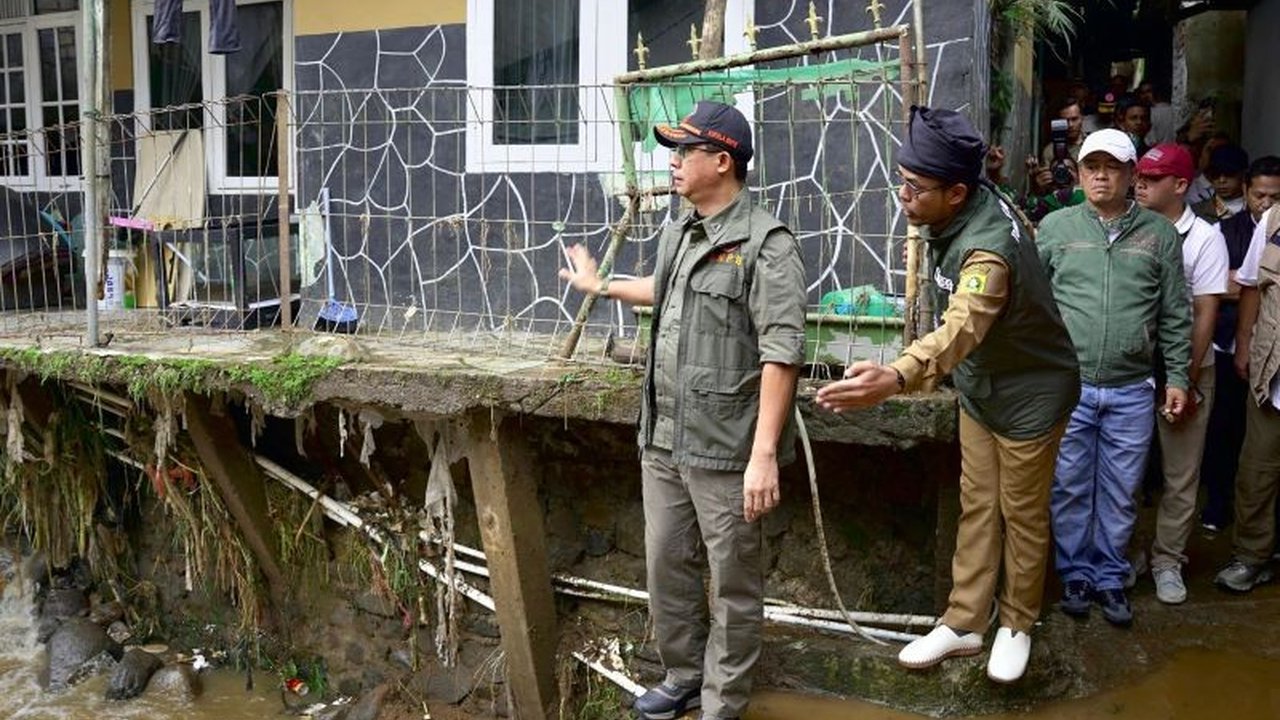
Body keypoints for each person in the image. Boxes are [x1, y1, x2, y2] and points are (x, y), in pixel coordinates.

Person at [559, 100, 806, 720]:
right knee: (667, 565)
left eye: (683, 151)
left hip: (726, 447)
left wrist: (763, 456)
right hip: (665, 435)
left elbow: (782, 354)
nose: (671, 162)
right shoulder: (681, 229)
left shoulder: (766, 244)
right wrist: (601, 285)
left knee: (733, 583)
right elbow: (663, 288)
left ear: (721, 162)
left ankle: (723, 703)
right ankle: (684, 676)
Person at [817, 107, 1080, 683]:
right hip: (981, 387)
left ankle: (1017, 623)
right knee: (978, 503)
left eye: (915, 188)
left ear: (957, 192)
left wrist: (897, 375)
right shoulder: (967, 205)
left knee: (1021, 512)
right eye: (901, 181)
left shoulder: (987, 251)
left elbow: (963, 324)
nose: (902, 196)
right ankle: (964, 621)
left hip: (1032, 394)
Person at [1037, 128, 1192, 627]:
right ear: (1080, 172)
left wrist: (1177, 377)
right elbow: (1034, 305)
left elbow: (1175, 314)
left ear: (1131, 175)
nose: (1101, 176)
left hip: (1132, 386)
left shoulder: (1158, 234)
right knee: (1069, 485)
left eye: (1112, 167)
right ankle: (1076, 575)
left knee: (1122, 489)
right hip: (1071, 385)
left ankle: (1110, 575)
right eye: (1092, 167)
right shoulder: (1056, 228)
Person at [1133, 143, 1229, 604]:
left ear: (1181, 185)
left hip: (1188, 368)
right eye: (1140, 176)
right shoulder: (1129, 228)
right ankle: (1126, 554)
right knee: (1126, 470)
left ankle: (1168, 560)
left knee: (1180, 473)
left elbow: (1205, 312)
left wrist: (1184, 378)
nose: (1141, 185)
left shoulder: (1205, 238)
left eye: (1153, 179)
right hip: (1133, 370)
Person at [1202, 156, 1280, 533]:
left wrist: (1243, 283)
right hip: (1229, 347)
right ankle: (1218, 504)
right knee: (1225, 430)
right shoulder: (1222, 230)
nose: (1265, 203)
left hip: (1271, 353)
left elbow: (1242, 284)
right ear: (1246, 191)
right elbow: (1213, 285)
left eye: (1274, 197)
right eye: (1259, 195)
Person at [1219, 202, 1280, 593]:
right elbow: (1253, 286)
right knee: (1257, 471)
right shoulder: (1274, 220)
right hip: (1274, 376)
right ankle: (1252, 557)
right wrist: (1243, 344)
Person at [1193, 144, 1250, 221]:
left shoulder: (1259, 210)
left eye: (1229, 173)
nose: (1221, 180)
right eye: (1215, 174)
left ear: (1243, 175)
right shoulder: (1195, 213)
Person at [1138, 81, 1176, 146]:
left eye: (1148, 91)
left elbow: (1151, 142)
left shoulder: (1150, 113)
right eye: (1142, 93)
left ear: (1156, 92)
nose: (1145, 96)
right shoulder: (1172, 109)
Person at [1113, 94, 1151, 159]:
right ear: (1121, 123)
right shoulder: (1113, 151)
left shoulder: (1151, 154)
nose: (1139, 122)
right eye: (1133, 118)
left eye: (1144, 118)